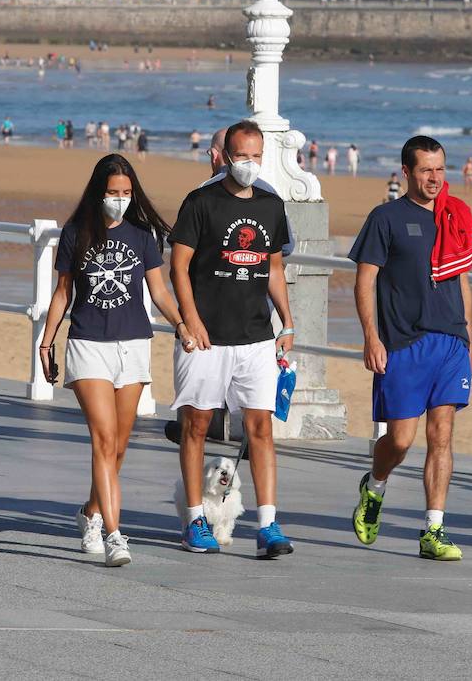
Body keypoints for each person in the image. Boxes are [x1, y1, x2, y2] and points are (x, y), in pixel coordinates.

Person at [38, 155, 187, 567]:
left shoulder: (143, 236)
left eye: (126, 193)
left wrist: (182, 324)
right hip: (88, 345)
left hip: (134, 345)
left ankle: (91, 512)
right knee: (103, 439)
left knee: (118, 446)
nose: (119, 200)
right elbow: (62, 293)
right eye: (112, 193)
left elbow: (158, 292)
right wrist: (46, 342)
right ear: (98, 192)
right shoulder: (75, 233)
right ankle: (115, 536)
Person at [349, 136, 472, 562]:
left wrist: (469, 338)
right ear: (406, 172)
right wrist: (371, 336)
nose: (435, 179)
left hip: (449, 341)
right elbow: (365, 278)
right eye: (426, 170)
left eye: (440, 169)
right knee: (401, 440)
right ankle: (375, 484)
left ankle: (434, 530)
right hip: (402, 342)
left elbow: (461, 278)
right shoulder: (386, 218)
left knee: (441, 435)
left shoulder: (454, 215)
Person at [171, 120, 295, 559]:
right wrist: (190, 319)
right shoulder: (200, 202)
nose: (249, 164)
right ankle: (194, 520)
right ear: (224, 156)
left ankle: (268, 525)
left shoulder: (271, 204)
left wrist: (288, 323)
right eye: (241, 156)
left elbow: (274, 268)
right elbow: (179, 266)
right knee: (196, 425)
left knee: (261, 427)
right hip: (206, 338)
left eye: (256, 156)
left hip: (256, 337)